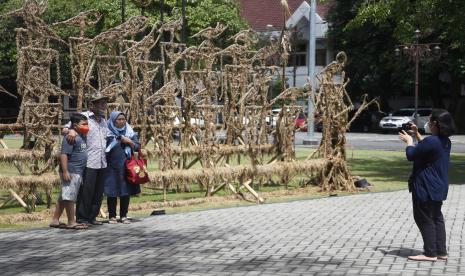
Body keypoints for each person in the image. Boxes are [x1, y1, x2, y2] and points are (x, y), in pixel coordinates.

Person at [399, 109, 456, 261]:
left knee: (424, 217)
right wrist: (417, 134)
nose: (427, 124)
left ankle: (430, 253)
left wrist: (410, 142)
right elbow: (427, 147)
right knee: (436, 217)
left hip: (426, 187)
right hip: (438, 186)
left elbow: (411, 155)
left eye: (429, 121)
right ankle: (441, 252)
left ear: (436, 124)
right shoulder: (444, 141)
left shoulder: (433, 141)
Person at [63, 91, 109, 226]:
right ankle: (82, 218)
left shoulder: (103, 121)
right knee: (86, 191)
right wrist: (71, 130)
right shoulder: (84, 117)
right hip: (89, 161)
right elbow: (65, 128)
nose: (104, 105)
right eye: (101, 103)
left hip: (102, 161)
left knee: (98, 191)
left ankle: (92, 217)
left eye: (105, 103)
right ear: (91, 104)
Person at [50, 113, 89, 230]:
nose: (86, 126)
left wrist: (70, 129)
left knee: (64, 196)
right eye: (84, 124)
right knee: (69, 196)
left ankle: (55, 220)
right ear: (76, 125)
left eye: (87, 123)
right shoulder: (70, 137)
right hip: (71, 171)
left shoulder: (81, 134)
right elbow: (64, 155)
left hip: (78, 171)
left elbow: (66, 128)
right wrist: (66, 171)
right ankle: (71, 221)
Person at [104, 111, 141, 224]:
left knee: (125, 191)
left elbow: (137, 146)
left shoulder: (129, 132)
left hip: (126, 166)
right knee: (112, 191)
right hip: (111, 167)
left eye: (123, 119)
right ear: (113, 121)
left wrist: (129, 141)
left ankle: (124, 215)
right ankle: (112, 216)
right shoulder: (107, 132)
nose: (121, 121)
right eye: (118, 119)